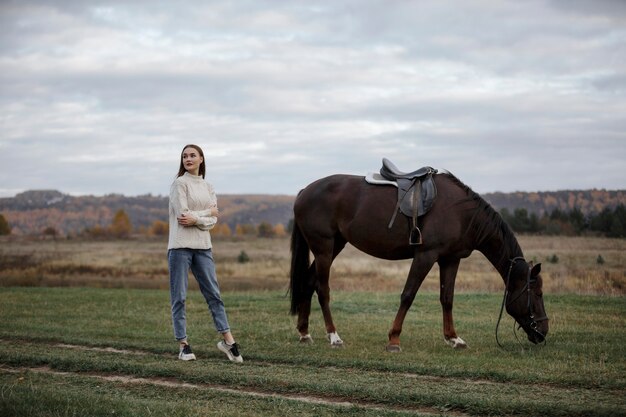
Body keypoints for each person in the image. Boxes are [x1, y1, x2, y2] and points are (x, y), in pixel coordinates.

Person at [167, 144, 243, 363]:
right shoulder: (179, 184)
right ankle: (183, 345)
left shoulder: (208, 186)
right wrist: (206, 214)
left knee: (214, 295)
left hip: (203, 248)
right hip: (180, 247)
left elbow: (213, 220)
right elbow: (183, 216)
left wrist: (200, 217)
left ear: (201, 159)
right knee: (179, 297)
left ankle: (228, 342)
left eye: (192, 155)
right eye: (184, 156)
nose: (188, 159)